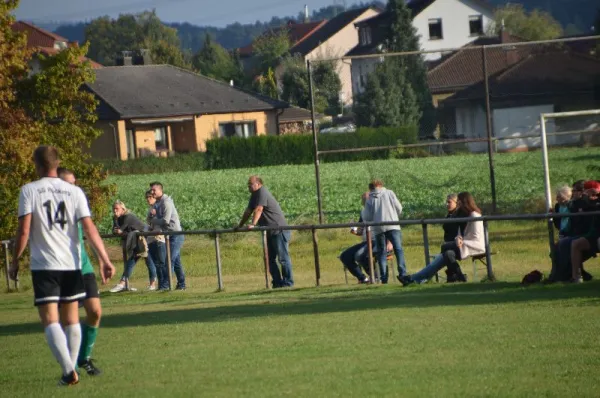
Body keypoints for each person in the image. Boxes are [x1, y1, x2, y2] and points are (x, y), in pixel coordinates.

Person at [9, 146, 115, 386]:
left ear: (36, 164)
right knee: (72, 320)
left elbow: (24, 230)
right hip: (72, 264)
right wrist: (105, 259)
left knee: (50, 320)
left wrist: (15, 260)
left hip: (45, 265)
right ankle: (72, 369)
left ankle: (69, 371)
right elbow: (89, 228)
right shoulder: (74, 192)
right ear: (57, 164)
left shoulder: (29, 191)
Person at [57, 168, 104, 376]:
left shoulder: (77, 203)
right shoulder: (50, 208)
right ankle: (72, 366)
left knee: (95, 312)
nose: (73, 187)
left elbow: (89, 230)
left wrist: (102, 260)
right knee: (70, 320)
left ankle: (84, 357)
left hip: (83, 267)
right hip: (62, 269)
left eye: (74, 183)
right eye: (69, 183)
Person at [401, 192, 484, 285]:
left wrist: (462, 241)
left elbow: (476, 237)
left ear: (464, 202)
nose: (458, 205)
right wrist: (459, 238)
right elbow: (461, 233)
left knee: (445, 248)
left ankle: (414, 278)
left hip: (474, 246)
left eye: (459, 202)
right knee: (448, 254)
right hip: (465, 244)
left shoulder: (474, 215)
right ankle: (460, 277)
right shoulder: (465, 214)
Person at [237, 176, 293, 288]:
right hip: (268, 231)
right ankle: (277, 283)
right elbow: (248, 211)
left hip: (278, 230)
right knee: (269, 259)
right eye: (248, 184)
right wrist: (240, 226)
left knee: (283, 258)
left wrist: (253, 224)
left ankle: (287, 283)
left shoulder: (262, 192)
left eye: (251, 184)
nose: (248, 186)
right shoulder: (254, 195)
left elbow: (259, 209)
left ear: (258, 184)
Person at [340, 191, 393, 284]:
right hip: (366, 242)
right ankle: (363, 278)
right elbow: (361, 231)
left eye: (366, 200)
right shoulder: (363, 212)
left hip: (378, 240)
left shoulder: (380, 211)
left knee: (359, 255)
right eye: (363, 200)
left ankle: (376, 277)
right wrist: (354, 229)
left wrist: (389, 242)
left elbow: (389, 227)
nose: (364, 202)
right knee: (345, 256)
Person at [361, 179, 406, 284]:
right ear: (381, 185)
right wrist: (394, 216)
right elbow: (399, 208)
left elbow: (367, 217)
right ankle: (402, 273)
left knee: (381, 252)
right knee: (398, 249)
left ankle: (384, 278)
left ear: (370, 188)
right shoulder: (390, 193)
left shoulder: (370, 198)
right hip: (393, 225)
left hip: (378, 228)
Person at [109, 200, 157, 292]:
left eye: (117, 209)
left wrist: (118, 230)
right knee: (140, 261)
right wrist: (115, 221)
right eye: (113, 209)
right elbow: (115, 231)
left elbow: (120, 230)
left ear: (123, 209)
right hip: (137, 240)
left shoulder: (128, 217)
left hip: (145, 238)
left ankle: (123, 283)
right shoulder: (117, 218)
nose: (115, 211)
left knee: (145, 260)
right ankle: (124, 283)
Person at [149, 182, 186, 290]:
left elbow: (165, 221)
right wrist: (152, 217)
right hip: (168, 235)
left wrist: (154, 220)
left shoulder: (166, 202)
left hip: (175, 234)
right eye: (151, 190)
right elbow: (150, 219)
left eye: (154, 190)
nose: (152, 192)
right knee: (176, 262)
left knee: (169, 260)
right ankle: (182, 284)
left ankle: (165, 285)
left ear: (161, 190)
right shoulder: (158, 203)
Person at [569, 181, 600, 282]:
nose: (593, 196)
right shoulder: (585, 201)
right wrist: (586, 197)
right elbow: (579, 205)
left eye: (595, 193)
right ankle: (576, 277)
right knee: (576, 244)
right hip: (594, 235)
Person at [145, 190, 168, 290]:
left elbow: (163, 222)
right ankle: (160, 285)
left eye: (150, 197)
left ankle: (165, 284)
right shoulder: (150, 209)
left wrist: (153, 217)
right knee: (157, 264)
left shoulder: (159, 208)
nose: (148, 199)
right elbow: (149, 222)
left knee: (162, 263)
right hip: (151, 239)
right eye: (147, 197)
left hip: (159, 238)